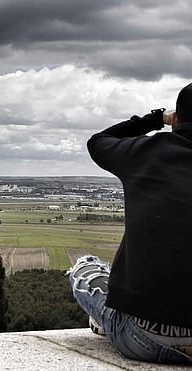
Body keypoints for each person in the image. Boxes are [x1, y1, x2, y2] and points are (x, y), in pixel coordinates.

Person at [69, 83, 192, 364]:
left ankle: (109, 325)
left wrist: (155, 118)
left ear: (177, 119)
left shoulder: (147, 152)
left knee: (85, 267)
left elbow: (99, 141)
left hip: (144, 337)